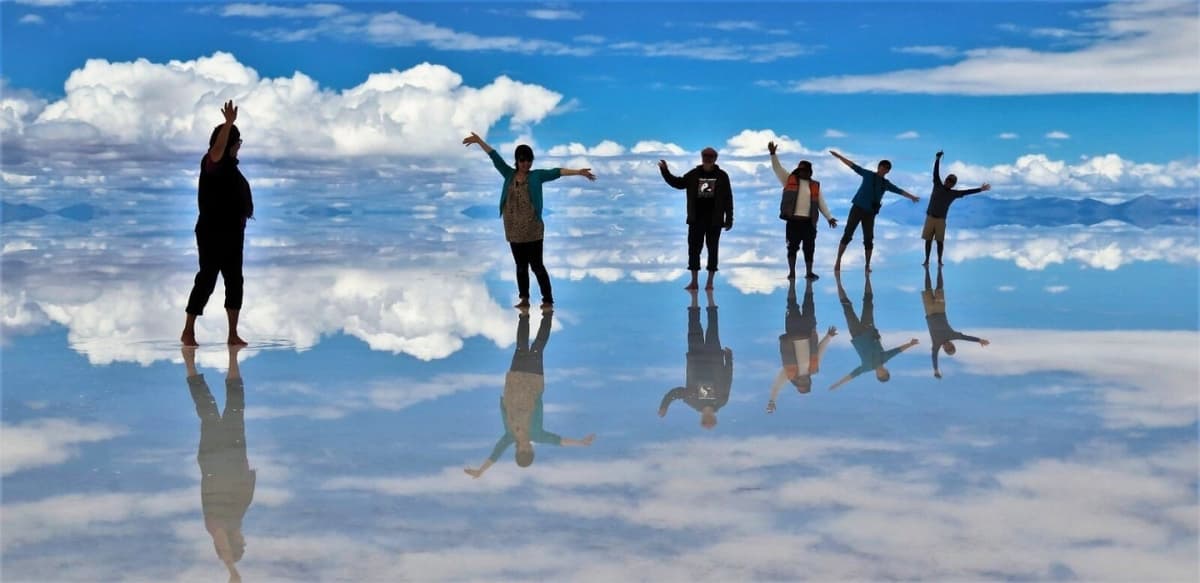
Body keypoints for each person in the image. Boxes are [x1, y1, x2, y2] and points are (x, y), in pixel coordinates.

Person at [463, 132, 596, 311]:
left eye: (529, 160)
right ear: (517, 161)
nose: (526, 164)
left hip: (533, 229)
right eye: (522, 160)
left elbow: (556, 172)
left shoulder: (536, 176)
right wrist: (479, 141)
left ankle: (547, 300)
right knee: (520, 267)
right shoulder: (508, 174)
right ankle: (524, 299)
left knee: (537, 266)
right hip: (513, 230)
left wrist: (578, 172)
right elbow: (494, 157)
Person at [464, 311, 595, 478]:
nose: (526, 446)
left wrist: (481, 470)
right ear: (532, 449)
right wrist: (580, 442)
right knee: (538, 347)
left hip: (516, 380)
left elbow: (495, 455)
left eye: (523, 450)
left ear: (517, 450)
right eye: (529, 449)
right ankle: (547, 313)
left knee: (521, 346)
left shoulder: (509, 437)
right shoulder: (538, 435)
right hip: (533, 381)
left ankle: (524, 313)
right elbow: (559, 441)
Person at [182, 100, 254, 347]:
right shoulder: (212, 163)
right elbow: (216, 151)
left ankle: (232, 334)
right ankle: (188, 331)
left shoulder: (232, 170)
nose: (239, 146)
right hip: (212, 231)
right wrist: (229, 124)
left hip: (233, 233)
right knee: (207, 279)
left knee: (235, 281)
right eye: (238, 142)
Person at [184, 344, 255, 583]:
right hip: (234, 452)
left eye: (241, 545)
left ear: (232, 544)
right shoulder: (236, 518)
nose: (245, 541)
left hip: (215, 457)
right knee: (236, 403)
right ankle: (233, 355)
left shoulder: (216, 526)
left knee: (208, 410)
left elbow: (221, 543)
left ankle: (189, 363)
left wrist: (232, 570)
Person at [828, 150, 920, 273]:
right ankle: (838, 260)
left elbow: (899, 190)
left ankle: (867, 265)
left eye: (887, 169)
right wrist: (839, 157)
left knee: (869, 238)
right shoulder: (868, 174)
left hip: (870, 213)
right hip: (857, 208)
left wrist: (912, 197)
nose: (885, 170)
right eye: (883, 167)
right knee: (848, 234)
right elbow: (853, 166)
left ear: (888, 171)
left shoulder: (885, 183)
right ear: (879, 167)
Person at [658, 147, 734, 290]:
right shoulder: (694, 174)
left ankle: (710, 282)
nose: (707, 158)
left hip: (715, 220)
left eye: (710, 156)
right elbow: (678, 183)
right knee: (694, 250)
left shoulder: (722, 176)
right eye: (705, 156)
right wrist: (665, 171)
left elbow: (728, 199)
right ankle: (694, 281)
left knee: (713, 250)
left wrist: (729, 219)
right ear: (701, 157)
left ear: (715, 159)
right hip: (696, 219)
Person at [828, 272, 919, 391]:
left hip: (856, 334)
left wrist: (837, 384)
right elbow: (898, 350)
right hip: (868, 328)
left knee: (846, 306)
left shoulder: (866, 367)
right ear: (886, 370)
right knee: (868, 302)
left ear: (877, 375)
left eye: (881, 375)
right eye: (884, 373)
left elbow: (852, 375)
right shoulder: (884, 358)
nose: (882, 372)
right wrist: (911, 344)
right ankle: (867, 276)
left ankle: (838, 281)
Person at [658, 289, 734, 429]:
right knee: (713, 326)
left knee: (693, 324)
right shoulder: (721, 401)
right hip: (714, 355)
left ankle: (694, 295)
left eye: (705, 421)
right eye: (711, 421)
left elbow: (675, 393)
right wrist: (729, 359)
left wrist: (664, 406)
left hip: (696, 355)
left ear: (702, 419)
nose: (708, 419)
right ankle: (710, 296)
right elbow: (727, 379)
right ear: (715, 419)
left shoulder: (692, 401)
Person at [769, 141, 837, 280]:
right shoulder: (789, 179)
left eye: (805, 171)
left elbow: (821, 203)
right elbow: (777, 169)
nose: (803, 173)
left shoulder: (814, 185)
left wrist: (829, 217)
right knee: (792, 248)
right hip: (793, 222)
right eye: (800, 170)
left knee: (809, 248)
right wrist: (773, 154)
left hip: (808, 223)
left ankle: (809, 272)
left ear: (810, 172)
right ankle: (792, 273)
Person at [767, 278, 836, 413]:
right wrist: (828, 336)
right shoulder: (813, 368)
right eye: (805, 384)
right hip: (807, 330)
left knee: (791, 304)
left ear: (797, 383)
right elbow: (820, 350)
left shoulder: (788, 374)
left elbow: (776, 386)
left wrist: (772, 401)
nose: (802, 382)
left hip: (792, 331)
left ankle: (792, 283)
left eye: (800, 384)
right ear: (809, 382)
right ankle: (809, 283)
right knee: (809, 303)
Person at [923, 150, 991, 266]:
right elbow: (935, 172)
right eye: (948, 180)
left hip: (941, 220)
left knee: (940, 241)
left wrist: (980, 189)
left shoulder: (953, 193)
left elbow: (967, 192)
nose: (949, 182)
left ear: (953, 184)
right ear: (945, 180)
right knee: (928, 240)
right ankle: (927, 260)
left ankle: (939, 260)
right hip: (930, 217)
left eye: (952, 182)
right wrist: (937, 159)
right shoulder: (937, 184)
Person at [922, 265, 990, 378]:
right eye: (951, 347)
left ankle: (927, 269)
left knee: (927, 290)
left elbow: (934, 357)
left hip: (929, 312)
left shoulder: (936, 344)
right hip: (940, 309)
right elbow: (966, 338)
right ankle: (939, 269)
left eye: (947, 349)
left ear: (944, 349)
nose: (948, 346)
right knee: (939, 289)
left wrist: (936, 370)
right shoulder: (952, 335)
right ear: (953, 344)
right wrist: (979, 340)